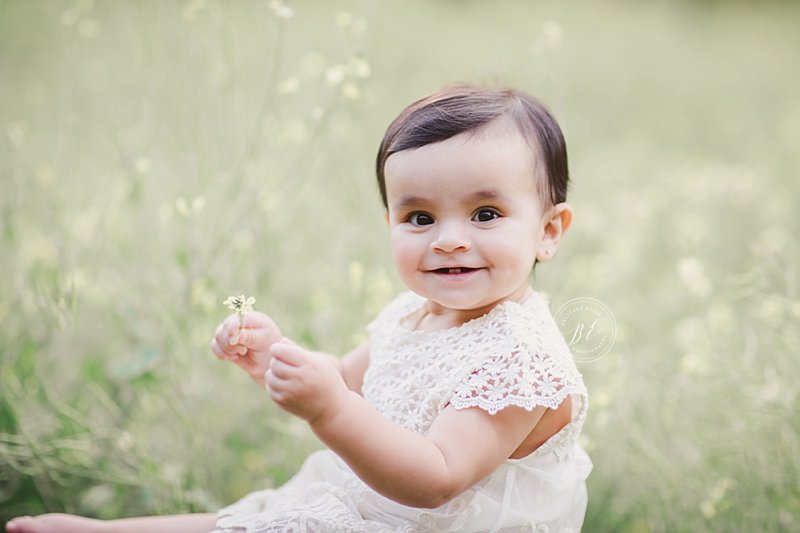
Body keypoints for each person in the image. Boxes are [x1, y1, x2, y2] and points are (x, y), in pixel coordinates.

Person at [6, 85, 592, 533]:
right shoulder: (416, 311)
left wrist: (329, 410)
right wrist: (276, 359)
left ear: (549, 231)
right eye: (419, 218)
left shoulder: (520, 362)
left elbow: (436, 479)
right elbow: (347, 380)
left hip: (416, 520)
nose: (448, 239)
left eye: (485, 214)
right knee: (258, 518)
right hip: (365, 504)